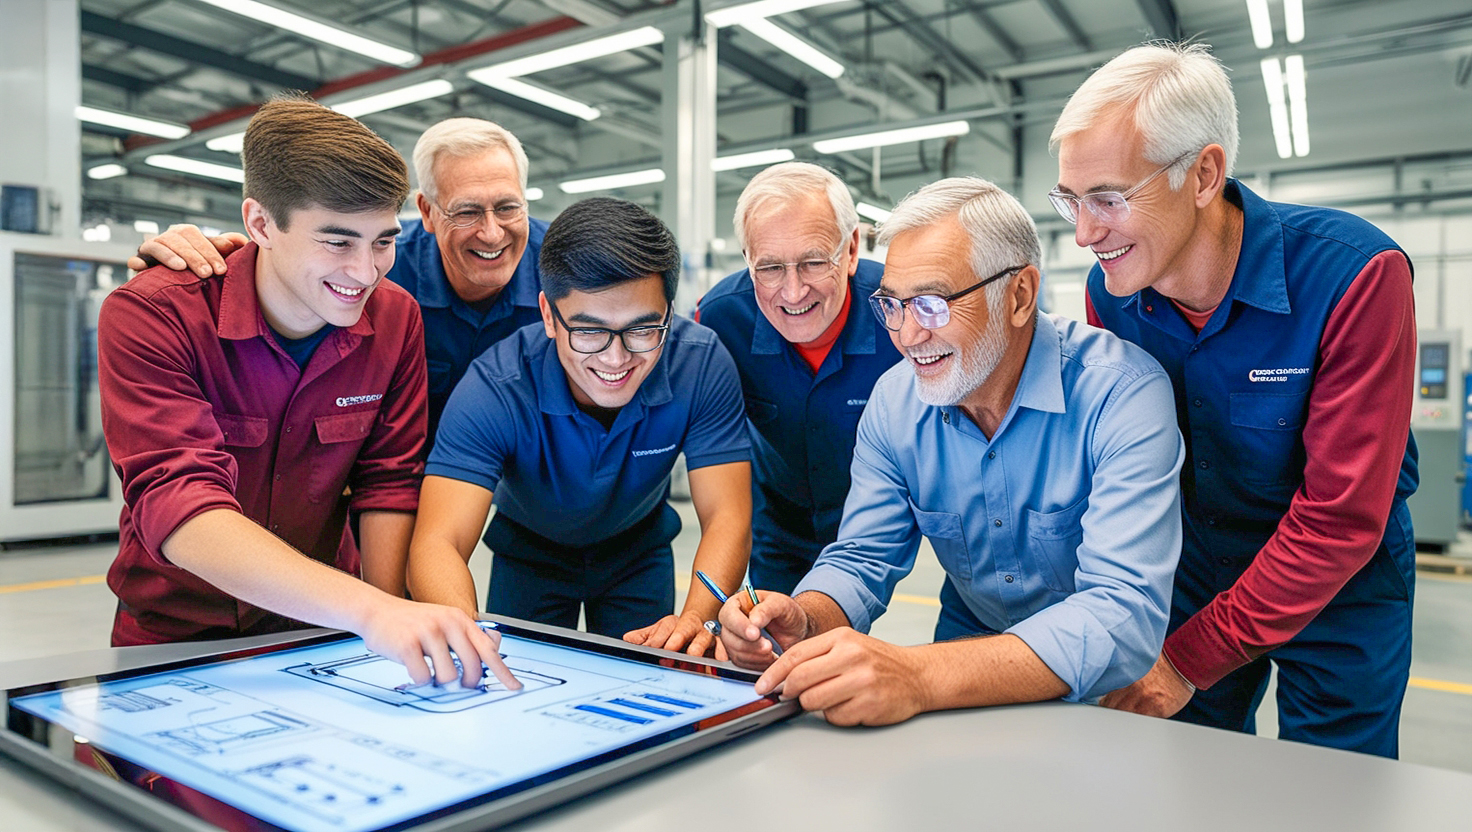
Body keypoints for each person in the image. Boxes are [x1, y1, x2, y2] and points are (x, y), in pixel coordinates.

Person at [1049, 42, 1417, 757]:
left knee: (1334, 789)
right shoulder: (1113, 294)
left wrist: (1189, 660)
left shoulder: (1355, 277)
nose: (1084, 233)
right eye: (1070, 199)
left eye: (1109, 199)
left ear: (1203, 174)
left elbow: (1341, 517)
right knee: (1182, 772)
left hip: (1342, 584)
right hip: (1195, 563)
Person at [717, 177, 1185, 725]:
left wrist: (921, 675)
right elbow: (864, 556)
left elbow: (1120, 614)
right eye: (893, 306)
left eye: (933, 305)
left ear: (1019, 296)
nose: (908, 335)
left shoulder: (1121, 393)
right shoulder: (895, 404)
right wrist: (806, 617)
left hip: (1111, 680)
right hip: (973, 630)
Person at [99, 96, 517, 691]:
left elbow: (388, 484)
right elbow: (180, 503)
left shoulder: (396, 317)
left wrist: (389, 607)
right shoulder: (154, 313)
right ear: (261, 224)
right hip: (171, 635)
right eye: (338, 241)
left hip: (320, 630)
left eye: (382, 241)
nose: (367, 271)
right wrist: (374, 611)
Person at [407, 197, 752, 657]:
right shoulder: (496, 385)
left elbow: (727, 515)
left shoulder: (701, 363)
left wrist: (698, 619)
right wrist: (464, 632)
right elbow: (437, 540)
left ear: (669, 312)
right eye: (588, 331)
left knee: (651, 681)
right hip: (529, 550)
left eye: (644, 329)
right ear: (549, 315)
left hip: (638, 547)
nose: (616, 358)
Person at [128, 117, 545, 437]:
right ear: (427, 211)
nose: (491, 232)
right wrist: (187, 260)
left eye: (508, 207)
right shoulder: (380, 271)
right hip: (376, 470)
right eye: (466, 211)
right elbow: (287, 260)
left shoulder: (564, 269)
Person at [696, 162, 902, 594]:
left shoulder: (901, 310)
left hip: (882, 522)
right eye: (769, 268)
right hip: (778, 527)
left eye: (812, 262)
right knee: (776, 648)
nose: (792, 292)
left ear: (850, 252)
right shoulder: (719, 320)